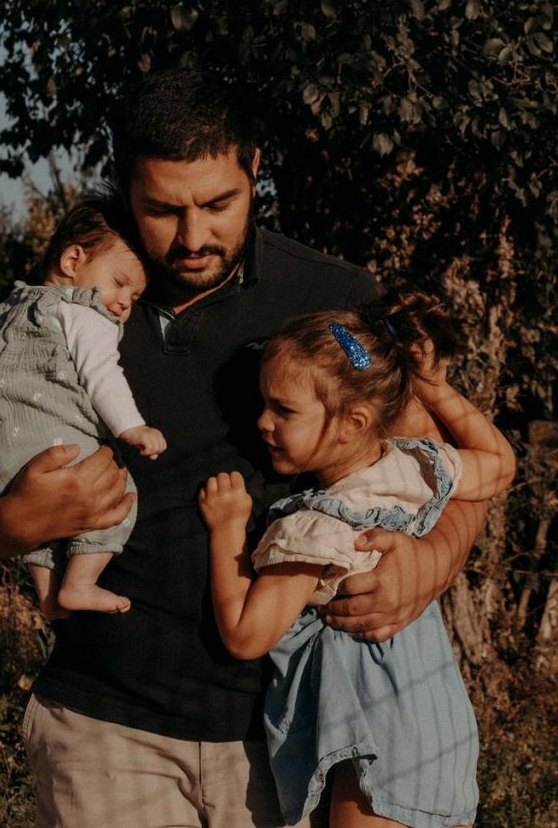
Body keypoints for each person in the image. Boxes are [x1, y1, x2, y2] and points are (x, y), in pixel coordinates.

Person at [0, 70, 508, 828]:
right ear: (124, 187)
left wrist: (430, 564)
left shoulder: (334, 297)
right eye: (162, 210)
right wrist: (16, 520)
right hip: (105, 730)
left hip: (292, 733)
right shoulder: (53, 308)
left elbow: (444, 477)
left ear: (254, 168)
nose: (193, 236)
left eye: (217, 204)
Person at [199, 293, 516, 828]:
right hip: (439, 724)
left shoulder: (319, 527)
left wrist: (227, 529)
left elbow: (243, 635)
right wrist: (437, 390)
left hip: (377, 741)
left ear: (352, 421)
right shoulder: (412, 468)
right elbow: (501, 467)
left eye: (283, 409)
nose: (261, 422)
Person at [0, 192, 167, 618]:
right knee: (118, 491)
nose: (126, 302)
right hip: (53, 447)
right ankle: (78, 584)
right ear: (73, 261)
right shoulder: (84, 313)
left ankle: (46, 594)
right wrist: (131, 427)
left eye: (136, 295)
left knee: (43, 530)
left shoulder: (8, 308)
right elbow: (101, 374)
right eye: (120, 283)